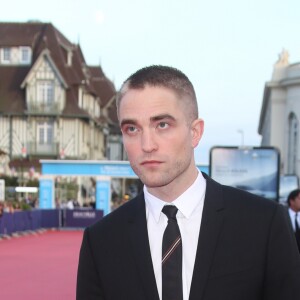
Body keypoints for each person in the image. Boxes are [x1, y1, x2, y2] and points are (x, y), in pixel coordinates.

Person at [76, 65, 300, 300]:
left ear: (195, 132)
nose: (147, 144)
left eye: (162, 125)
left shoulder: (264, 224)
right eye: (132, 128)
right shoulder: (101, 241)